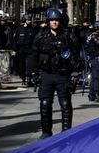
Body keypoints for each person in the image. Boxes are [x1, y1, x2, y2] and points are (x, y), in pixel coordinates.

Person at [27, 8, 80, 139]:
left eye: (56, 20)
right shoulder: (40, 36)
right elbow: (33, 55)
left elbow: (76, 56)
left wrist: (75, 72)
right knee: (45, 103)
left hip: (63, 74)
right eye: (52, 20)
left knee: (66, 104)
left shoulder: (69, 36)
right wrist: (33, 72)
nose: (54, 22)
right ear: (48, 21)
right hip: (46, 74)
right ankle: (46, 132)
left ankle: (66, 133)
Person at [11, 14, 37, 85]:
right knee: (21, 64)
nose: (29, 21)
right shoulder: (19, 29)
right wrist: (14, 49)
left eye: (29, 20)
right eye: (28, 19)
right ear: (24, 20)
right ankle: (23, 78)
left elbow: (35, 40)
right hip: (21, 49)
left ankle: (29, 79)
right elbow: (14, 40)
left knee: (30, 64)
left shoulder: (33, 29)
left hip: (30, 48)